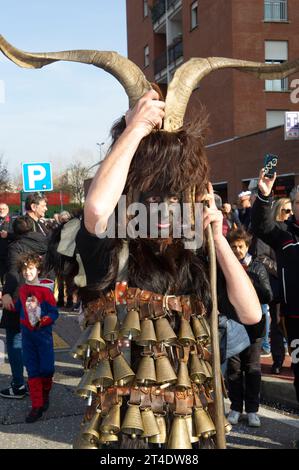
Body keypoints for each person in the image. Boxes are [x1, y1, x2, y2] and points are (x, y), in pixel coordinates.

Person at [74, 90, 261, 449]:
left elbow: (251, 314)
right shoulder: (113, 247)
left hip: (188, 426)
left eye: (174, 196)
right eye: (152, 197)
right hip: (125, 429)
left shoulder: (196, 256)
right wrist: (136, 130)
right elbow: (97, 210)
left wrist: (218, 239)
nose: (163, 207)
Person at [251, 170, 299, 403]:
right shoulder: (284, 234)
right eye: (298, 202)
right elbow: (261, 227)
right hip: (295, 317)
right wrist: (264, 195)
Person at [226, 229, 272, 427]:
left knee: (252, 368)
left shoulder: (257, 266)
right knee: (234, 369)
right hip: (233, 324)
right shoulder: (225, 266)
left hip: (254, 326)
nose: (237, 250)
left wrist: (249, 281)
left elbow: (268, 295)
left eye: (240, 246)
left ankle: (253, 410)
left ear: (247, 246)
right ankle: (236, 407)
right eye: (234, 247)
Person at [0, 216, 48, 399]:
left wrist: (5, 292)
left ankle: (18, 385)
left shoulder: (16, 248)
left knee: (15, 341)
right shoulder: (42, 242)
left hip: (18, 297)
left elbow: (12, 272)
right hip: (37, 295)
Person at [14, 253, 58, 422]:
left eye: (30, 269)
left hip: (43, 336)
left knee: (46, 369)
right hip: (27, 336)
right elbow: (19, 307)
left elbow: (54, 313)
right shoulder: (23, 289)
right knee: (32, 370)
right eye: (24, 270)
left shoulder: (45, 291)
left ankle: (45, 394)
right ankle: (36, 405)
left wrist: (43, 321)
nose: (27, 273)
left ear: (38, 270)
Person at [0, 202, 13, 286]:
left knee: (8, 276)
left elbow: (18, 234)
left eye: (3, 209)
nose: (1, 211)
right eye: (0, 209)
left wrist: (8, 235)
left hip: (9, 252)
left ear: (7, 209)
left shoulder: (13, 220)